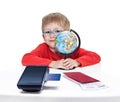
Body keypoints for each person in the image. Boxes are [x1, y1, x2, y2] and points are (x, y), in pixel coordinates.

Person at [21, 12, 101, 70]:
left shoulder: (71, 48)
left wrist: (77, 62)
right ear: (43, 37)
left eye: (58, 31)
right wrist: (53, 64)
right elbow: (26, 59)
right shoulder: (43, 48)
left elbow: (95, 56)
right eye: (48, 32)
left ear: (67, 34)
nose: (52, 36)